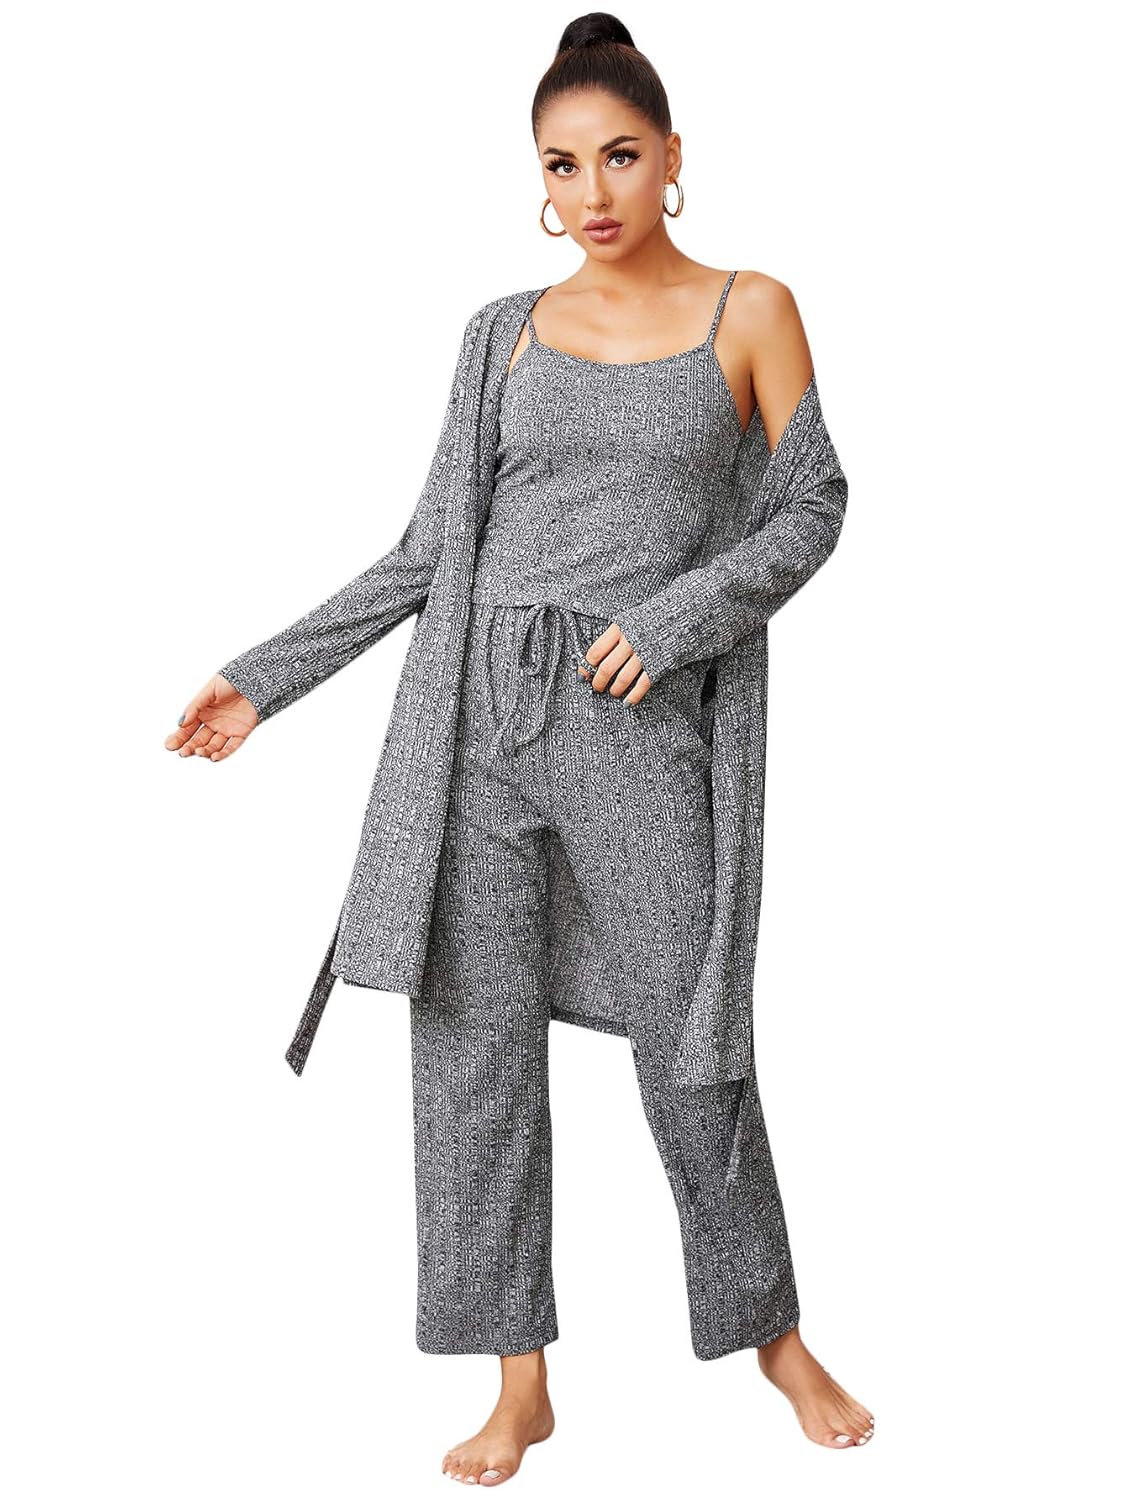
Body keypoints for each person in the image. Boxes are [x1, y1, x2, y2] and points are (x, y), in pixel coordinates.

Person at [165, 12, 873, 1485]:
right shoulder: (499, 332)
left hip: (635, 717)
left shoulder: (751, 308)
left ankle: (773, 1335)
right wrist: (264, 680)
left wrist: (676, 618)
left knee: (691, 1037)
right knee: (470, 1055)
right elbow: (430, 549)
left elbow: (812, 505)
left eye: (618, 155)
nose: (592, 190)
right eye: (561, 165)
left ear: (670, 158)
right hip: (476, 728)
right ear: (536, 179)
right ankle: (519, 1382)